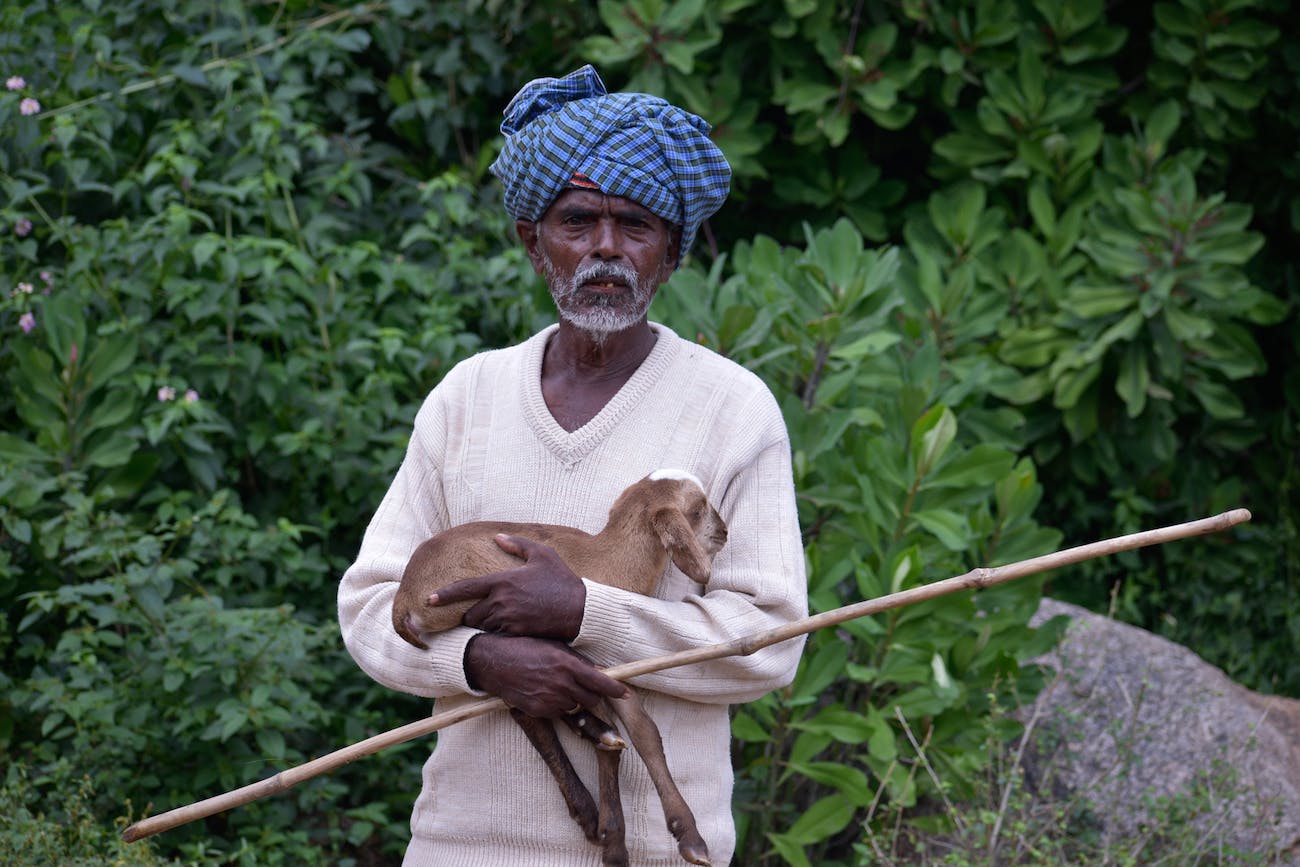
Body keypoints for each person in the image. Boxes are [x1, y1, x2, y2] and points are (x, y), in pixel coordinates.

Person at [338, 65, 808, 866]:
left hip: (661, 854)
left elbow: (768, 643)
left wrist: (585, 611)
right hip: (460, 847)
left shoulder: (735, 409)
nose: (605, 249)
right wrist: (481, 660)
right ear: (532, 240)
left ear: (671, 254)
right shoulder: (467, 398)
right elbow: (369, 608)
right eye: (577, 219)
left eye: (636, 225)